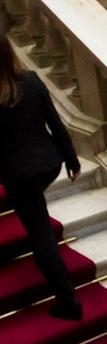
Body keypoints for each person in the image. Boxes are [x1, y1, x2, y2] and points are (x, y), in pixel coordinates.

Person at [0, 37, 83, 320]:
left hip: (18, 174)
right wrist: (72, 160)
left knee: (41, 236)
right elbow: (56, 124)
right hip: (48, 164)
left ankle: (69, 302)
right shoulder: (32, 81)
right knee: (37, 216)